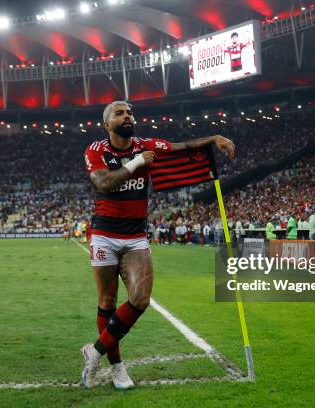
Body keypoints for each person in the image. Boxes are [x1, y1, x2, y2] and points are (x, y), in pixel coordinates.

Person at [81, 100, 235, 390]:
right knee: (107, 303)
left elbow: (183, 147)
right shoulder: (96, 150)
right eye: (119, 113)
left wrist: (213, 139)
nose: (127, 116)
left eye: (129, 112)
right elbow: (104, 182)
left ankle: (95, 351)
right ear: (106, 124)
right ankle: (117, 368)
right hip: (104, 234)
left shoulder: (146, 144)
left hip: (136, 236)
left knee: (140, 299)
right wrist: (138, 163)